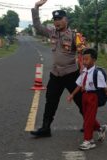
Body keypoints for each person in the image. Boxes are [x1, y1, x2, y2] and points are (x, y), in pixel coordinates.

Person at [30, 0, 85, 137]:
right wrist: (36, 7)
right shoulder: (52, 33)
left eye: (59, 19)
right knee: (50, 100)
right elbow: (37, 26)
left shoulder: (74, 36)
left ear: (66, 20)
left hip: (71, 73)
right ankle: (45, 128)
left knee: (80, 100)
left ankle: (90, 123)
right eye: (55, 19)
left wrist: (84, 72)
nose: (57, 22)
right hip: (56, 74)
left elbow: (82, 53)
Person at [67, 48, 107, 150]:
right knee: (87, 117)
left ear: (94, 60)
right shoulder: (84, 72)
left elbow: (104, 87)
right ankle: (100, 128)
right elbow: (79, 85)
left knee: (88, 121)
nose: (84, 62)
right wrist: (72, 95)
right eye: (83, 59)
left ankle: (88, 141)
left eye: (87, 59)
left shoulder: (97, 73)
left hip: (93, 97)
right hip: (84, 96)